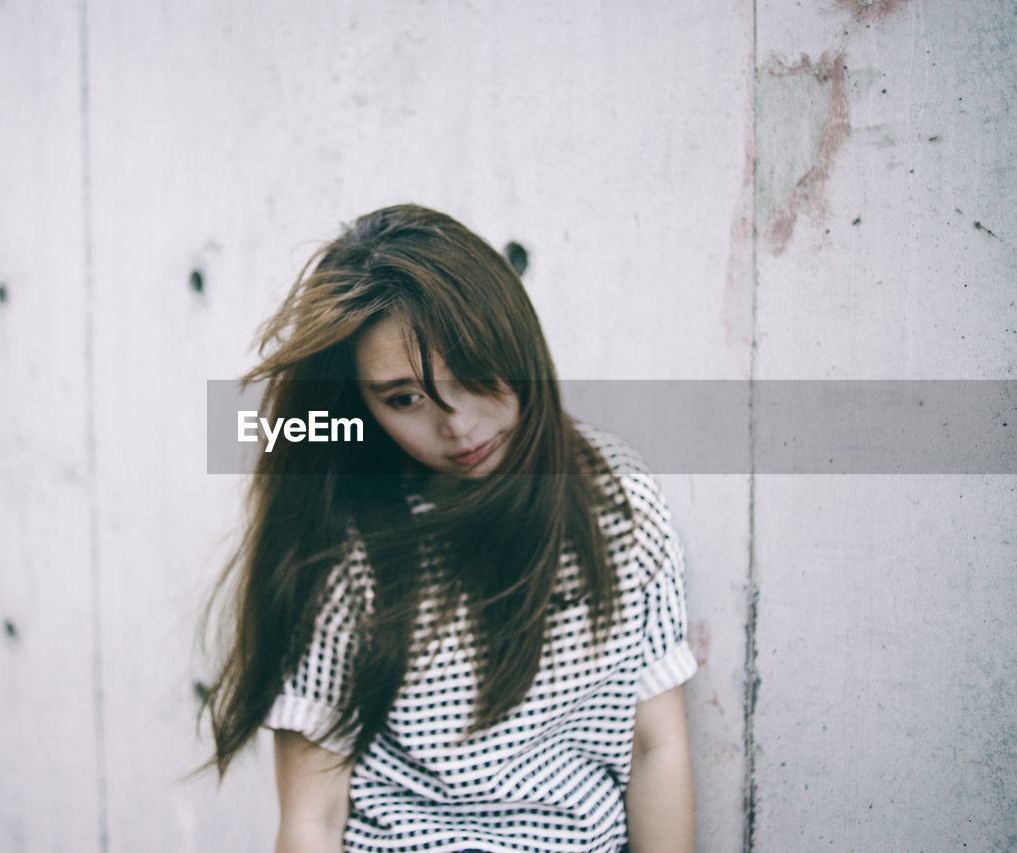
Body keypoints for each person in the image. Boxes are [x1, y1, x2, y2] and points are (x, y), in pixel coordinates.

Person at [197, 204, 699, 852]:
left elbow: (655, 745)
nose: (458, 424)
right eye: (404, 398)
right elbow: (311, 815)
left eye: (474, 374)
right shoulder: (346, 544)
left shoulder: (614, 502)